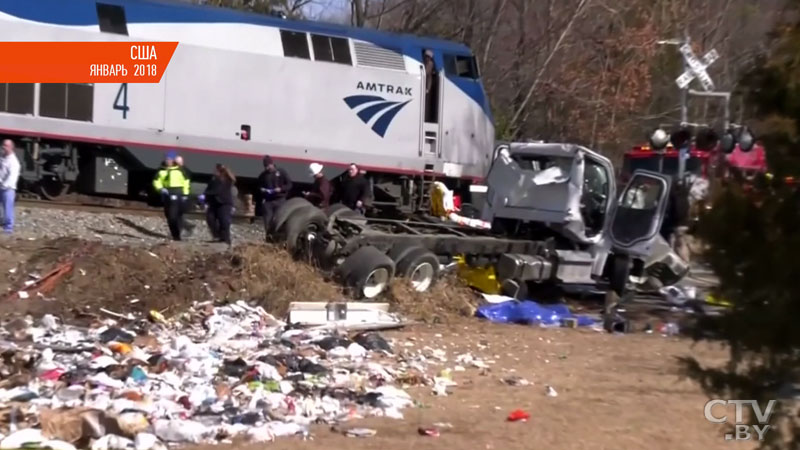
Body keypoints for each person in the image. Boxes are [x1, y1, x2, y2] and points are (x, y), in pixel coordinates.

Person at [153, 150, 191, 241]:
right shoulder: (162, 171)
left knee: (173, 215)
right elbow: (156, 181)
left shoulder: (180, 170)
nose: (168, 161)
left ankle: (177, 235)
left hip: (178, 193)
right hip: (167, 194)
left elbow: (186, 182)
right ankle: (176, 233)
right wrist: (160, 189)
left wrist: (185, 194)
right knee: (168, 215)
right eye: (167, 159)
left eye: (169, 159)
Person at [256, 155, 292, 239]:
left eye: (268, 166)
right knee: (267, 221)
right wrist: (262, 190)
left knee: (280, 220)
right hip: (268, 201)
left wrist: (281, 189)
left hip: (280, 199)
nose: (267, 168)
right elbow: (258, 186)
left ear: (272, 164)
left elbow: (289, 184)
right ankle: (269, 237)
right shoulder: (263, 175)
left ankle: (279, 238)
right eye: (265, 166)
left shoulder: (281, 172)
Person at [201, 164, 236, 245]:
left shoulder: (226, 180)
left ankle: (226, 239)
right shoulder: (213, 180)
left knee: (224, 221)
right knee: (210, 219)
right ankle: (217, 235)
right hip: (214, 203)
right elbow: (208, 189)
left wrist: (206, 194)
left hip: (224, 203)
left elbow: (216, 191)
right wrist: (203, 199)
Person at [0, 139, 20, 234]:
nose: (3, 147)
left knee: (8, 208)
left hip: (8, 189)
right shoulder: (2, 157)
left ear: (11, 147)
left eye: (6, 146)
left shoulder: (14, 162)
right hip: (1, 186)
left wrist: (4, 184)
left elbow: (12, 176)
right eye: (3, 145)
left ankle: (8, 229)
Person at [174, 155, 196, 236]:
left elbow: (185, 184)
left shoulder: (182, 171)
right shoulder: (185, 170)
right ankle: (185, 228)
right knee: (177, 214)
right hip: (182, 195)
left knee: (176, 214)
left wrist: (184, 195)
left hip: (181, 195)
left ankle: (182, 230)